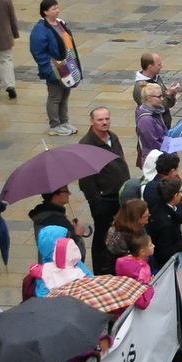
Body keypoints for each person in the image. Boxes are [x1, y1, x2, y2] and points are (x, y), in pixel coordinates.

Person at [77, 106, 131, 272]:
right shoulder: (87, 145)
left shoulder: (112, 137)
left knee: (118, 232)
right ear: (91, 121)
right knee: (102, 236)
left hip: (119, 196)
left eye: (107, 118)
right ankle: (101, 270)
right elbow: (85, 179)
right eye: (100, 119)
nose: (104, 122)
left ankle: (116, 265)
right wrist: (96, 202)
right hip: (104, 200)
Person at [29, 0, 82, 135]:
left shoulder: (60, 24)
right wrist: (49, 70)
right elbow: (39, 53)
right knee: (55, 97)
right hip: (54, 68)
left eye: (57, 7)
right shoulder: (40, 30)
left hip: (67, 66)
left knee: (65, 95)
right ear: (45, 12)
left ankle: (64, 121)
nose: (57, 10)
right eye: (53, 8)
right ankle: (55, 125)